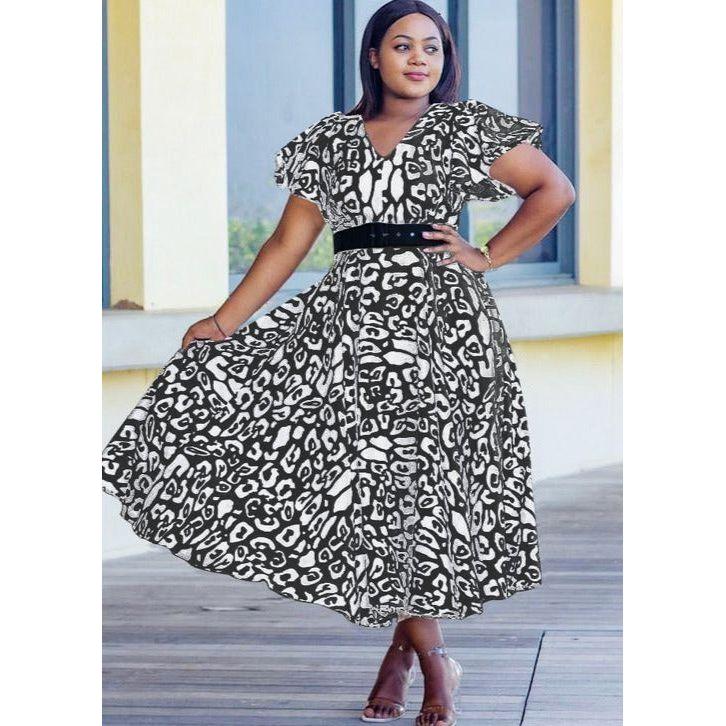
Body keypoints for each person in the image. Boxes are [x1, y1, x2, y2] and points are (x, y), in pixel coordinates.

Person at [102, 2, 575, 724]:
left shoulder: (464, 127)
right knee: (378, 491)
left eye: (433, 48)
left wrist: (488, 256)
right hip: (350, 331)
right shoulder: (329, 141)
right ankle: (427, 657)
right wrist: (225, 322)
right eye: (402, 45)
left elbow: (555, 190)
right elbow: (286, 244)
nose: (419, 59)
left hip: (443, 331)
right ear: (374, 56)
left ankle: (419, 660)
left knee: (415, 492)